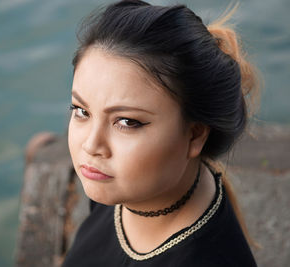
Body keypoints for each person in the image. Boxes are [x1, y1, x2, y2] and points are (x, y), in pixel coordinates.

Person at [62, 0, 260, 266]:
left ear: (194, 135)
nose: (91, 145)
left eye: (127, 122)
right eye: (81, 111)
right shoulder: (117, 186)